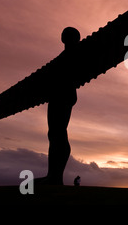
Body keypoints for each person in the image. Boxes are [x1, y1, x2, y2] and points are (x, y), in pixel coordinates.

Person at [37, 27, 80, 185]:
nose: (63, 37)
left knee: (58, 133)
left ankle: (55, 177)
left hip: (64, 95)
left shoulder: (75, 54)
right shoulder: (63, 57)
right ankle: (53, 175)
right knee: (54, 134)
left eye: (66, 35)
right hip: (57, 95)